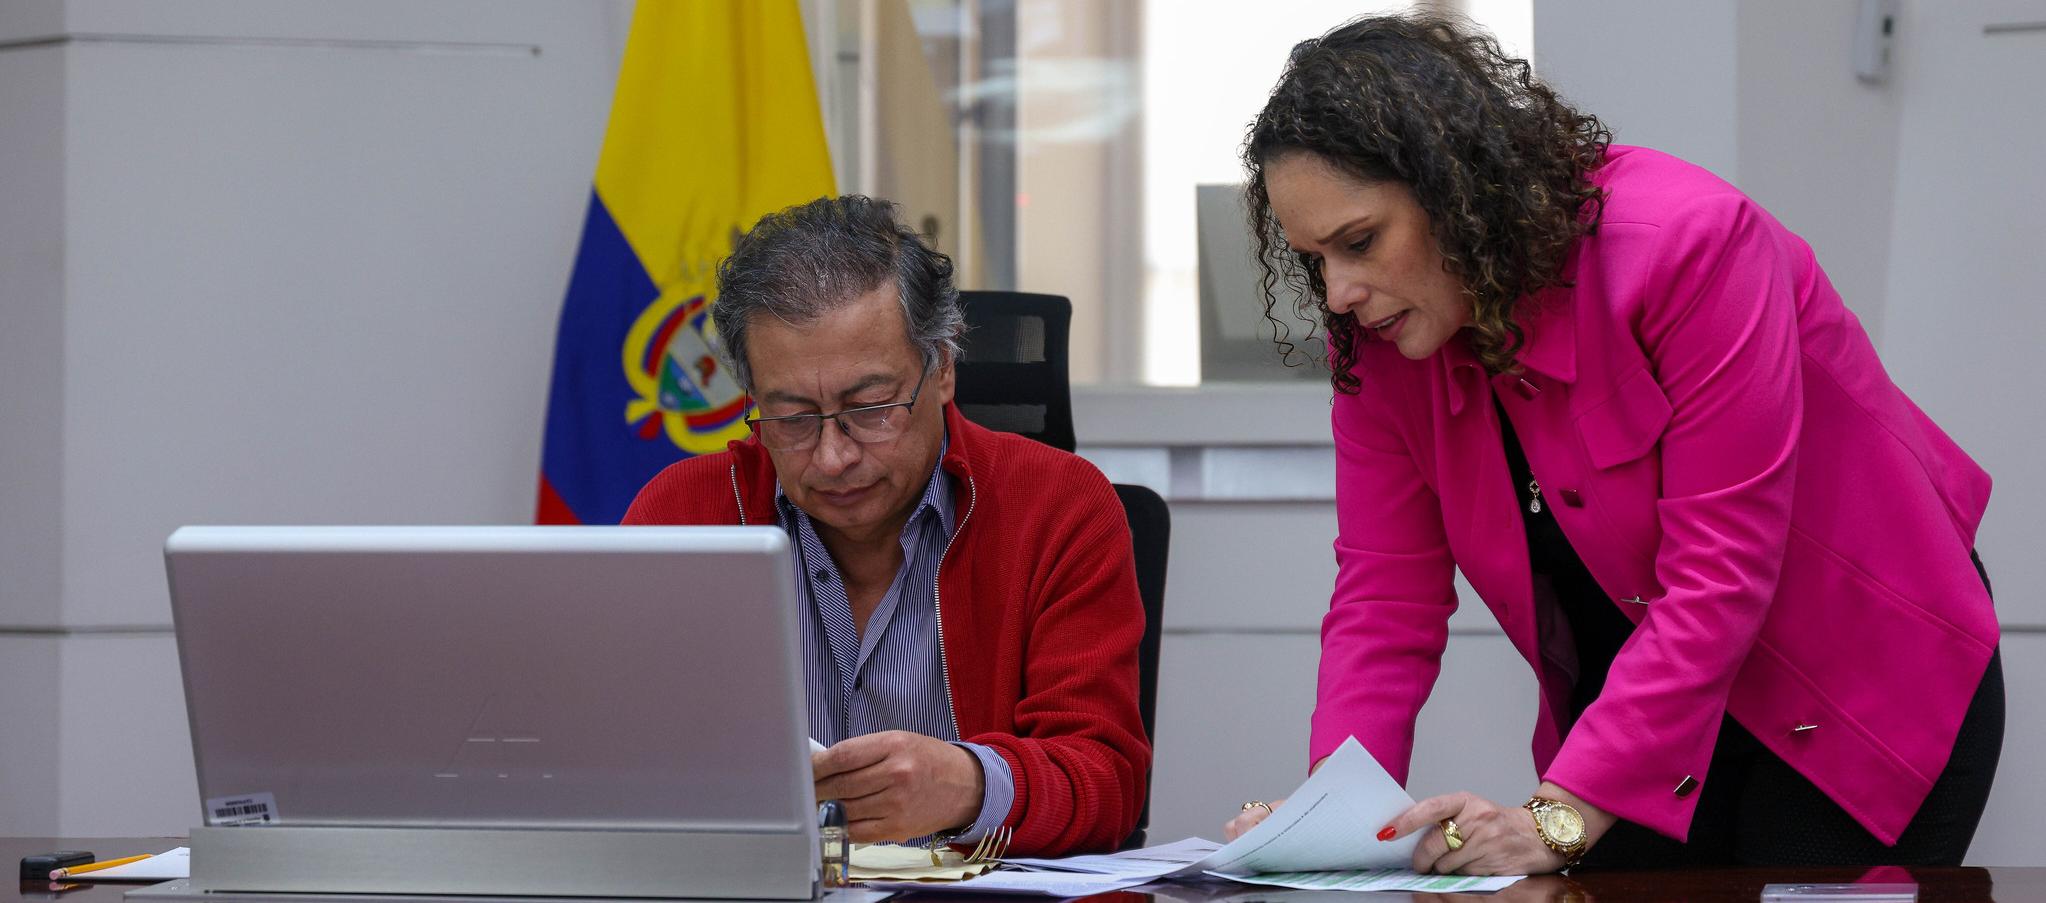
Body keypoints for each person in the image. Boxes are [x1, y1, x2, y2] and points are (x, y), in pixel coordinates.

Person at [1222, 15, 2003, 873]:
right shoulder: (1378, 340)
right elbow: (1385, 595)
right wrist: (1333, 817)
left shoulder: (1690, 247)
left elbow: (1721, 570)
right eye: (1313, 259)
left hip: (1858, 682)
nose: (1337, 292)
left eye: (1359, 242)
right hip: (1652, 712)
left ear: (1455, 190)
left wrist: (1560, 816)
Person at [622, 195, 1149, 858]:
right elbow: (617, 761)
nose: (833, 456)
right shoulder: (682, 518)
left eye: (869, 408)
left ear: (944, 368)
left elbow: (1108, 782)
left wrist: (970, 786)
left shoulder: (1058, 508)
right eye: (791, 418)